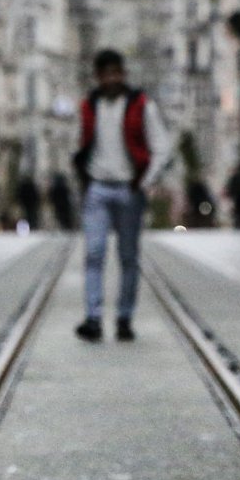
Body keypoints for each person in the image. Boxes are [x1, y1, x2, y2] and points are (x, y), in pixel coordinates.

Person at [72, 49, 172, 342]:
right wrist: (84, 177)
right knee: (94, 253)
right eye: (107, 74)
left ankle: (124, 318)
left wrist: (145, 181)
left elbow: (162, 147)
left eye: (118, 72)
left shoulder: (141, 105)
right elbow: (76, 143)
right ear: (98, 77)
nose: (113, 79)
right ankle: (93, 318)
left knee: (128, 257)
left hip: (130, 189)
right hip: (98, 189)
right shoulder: (89, 106)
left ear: (124, 74)